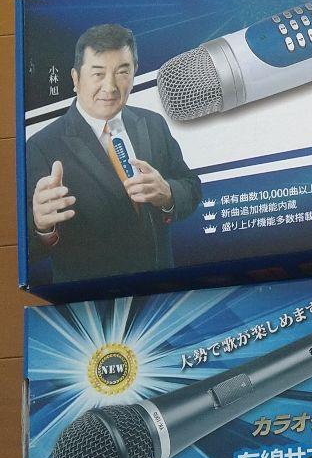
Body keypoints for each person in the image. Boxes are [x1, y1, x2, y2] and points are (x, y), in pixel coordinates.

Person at [26, 23, 202, 284]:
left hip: (164, 288)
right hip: (93, 298)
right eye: (98, 74)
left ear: (134, 73)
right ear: (75, 78)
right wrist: (41, 226)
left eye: (122, 72)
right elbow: (28, 250)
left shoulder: (153, 123)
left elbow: (192, 187)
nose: (109, 87)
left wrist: (168, 194)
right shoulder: (41, 146)